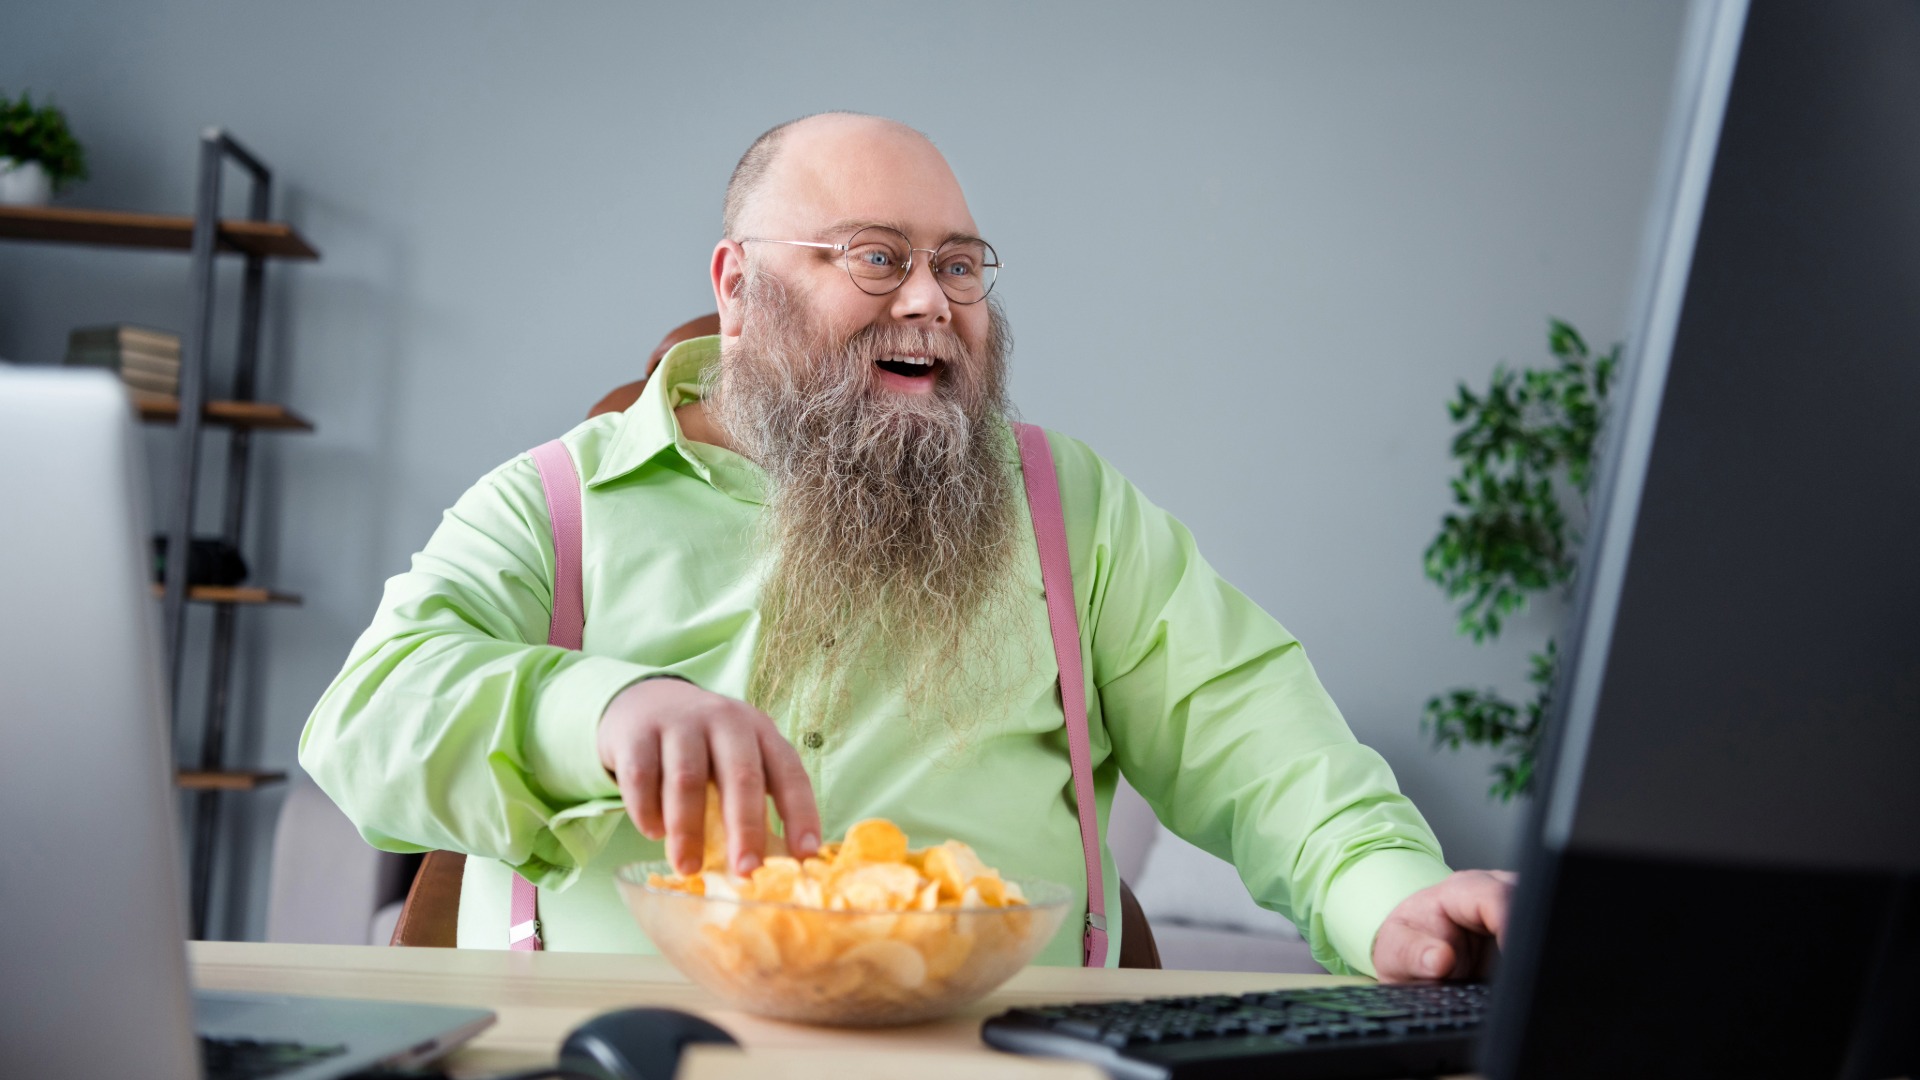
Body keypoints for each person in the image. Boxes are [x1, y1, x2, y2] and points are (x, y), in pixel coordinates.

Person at [302, 112, 1509, 980]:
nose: (931, 301)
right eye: (876, 257)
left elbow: (1261, 744)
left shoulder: (1067, 504)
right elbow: (363, 724)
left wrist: (1395, 900)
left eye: (960, 265)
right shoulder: (553, 501)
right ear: (737, 286)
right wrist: (603, 712)